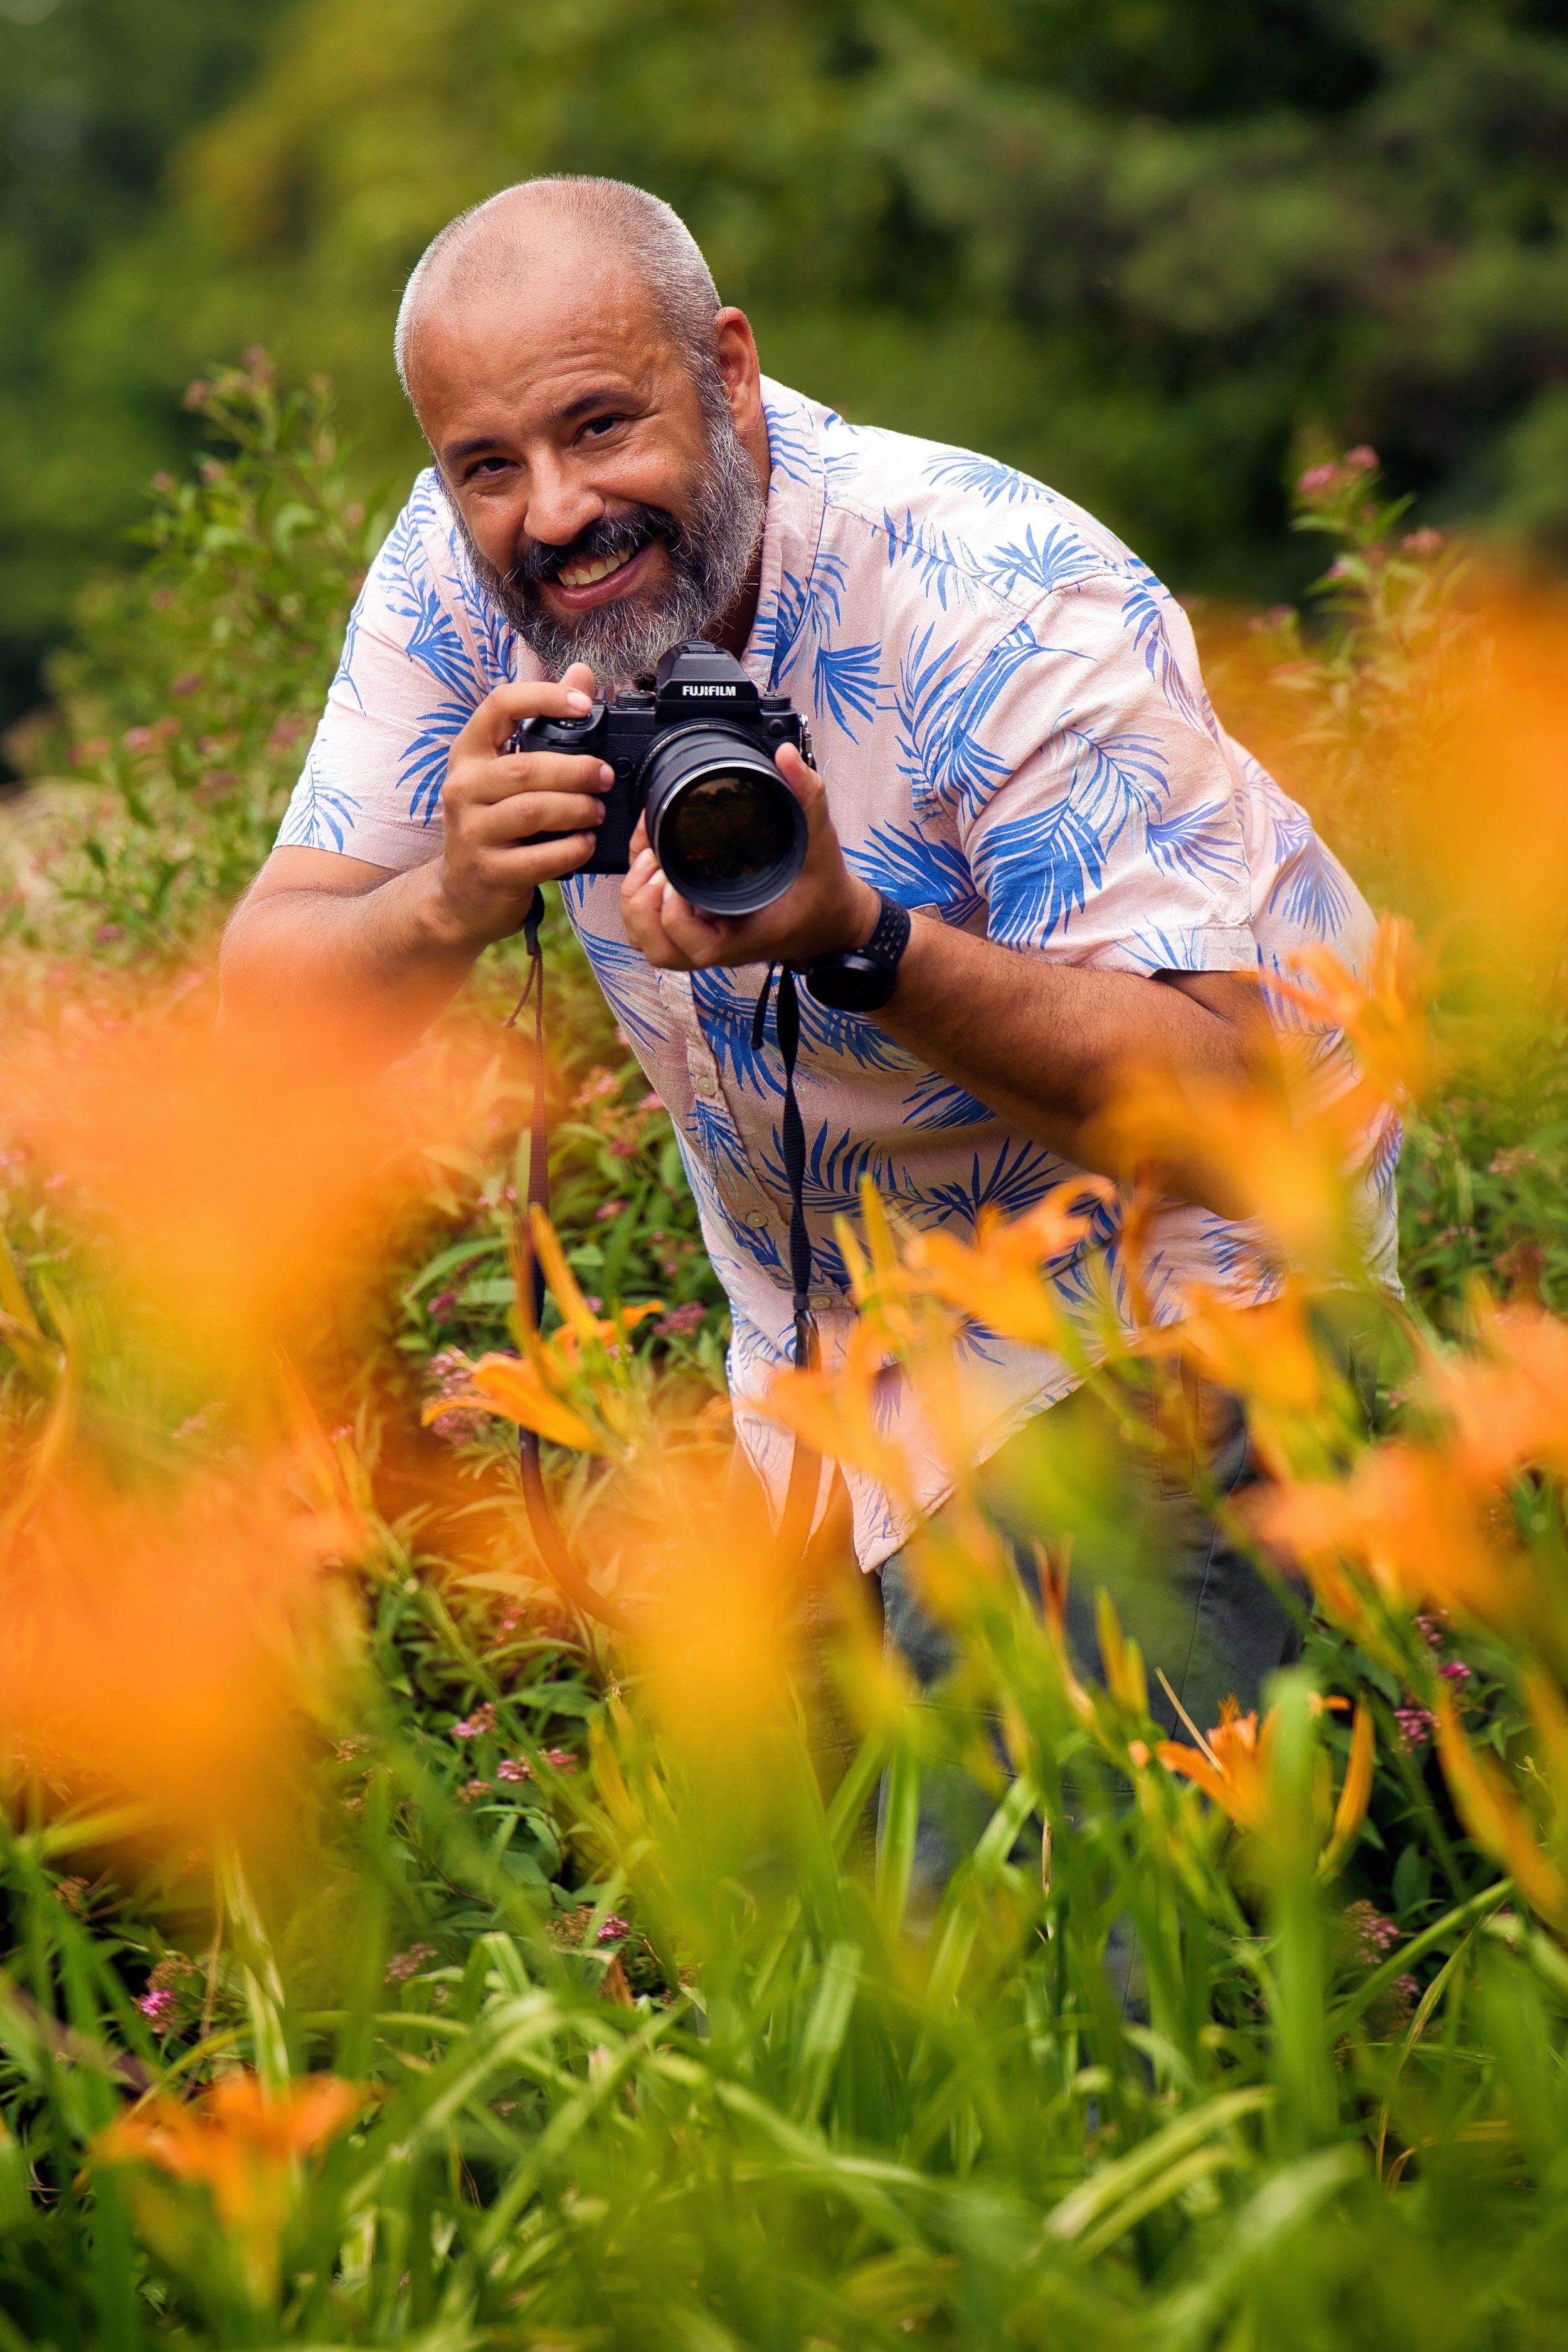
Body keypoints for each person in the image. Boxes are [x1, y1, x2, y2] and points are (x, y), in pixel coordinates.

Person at [221, 177, 1398, 1881]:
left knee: (1084, 1924)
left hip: (1176, 1280)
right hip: (834, 1340)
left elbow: (1230, 1104)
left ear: (728, 369)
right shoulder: (451, 577)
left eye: (600, 425)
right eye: (486, 464)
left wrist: (859, 937)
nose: (551, 511)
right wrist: (446, 899)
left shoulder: (992, 592)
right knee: (785, 1931)